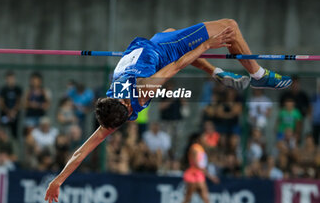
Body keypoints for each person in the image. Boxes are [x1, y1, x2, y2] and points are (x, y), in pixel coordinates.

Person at [45, 20, 291, 202]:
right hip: (153, 50)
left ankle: (240, 74)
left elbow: (177, 64)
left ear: (123, 105)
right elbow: (80, 152)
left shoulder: (143, 90)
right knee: (198, 30)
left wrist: (208, 44)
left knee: (226, 28)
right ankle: (238, 74)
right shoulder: (116, 108)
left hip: (160, 52)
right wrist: (58, 181)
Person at [182, 133, 219, 203]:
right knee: (188, 197)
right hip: (193, 175)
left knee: (204, 198)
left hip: (199, 174)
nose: (206, 140)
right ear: (199, 139)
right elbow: (197, 164)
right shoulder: (195, 148)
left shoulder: (201, 149)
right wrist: (211, 177)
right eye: (204, 138)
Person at [0, 71, 22, 138]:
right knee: (4, 131)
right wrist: (8, 112)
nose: (10, 80)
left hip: (15, 114)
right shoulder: (3, 89)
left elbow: (19, 101)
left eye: (11, 78)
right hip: (5, 114)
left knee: (14, 133)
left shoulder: (17, 89)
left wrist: (14, 111)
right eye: (8, 78)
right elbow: (1, 102)